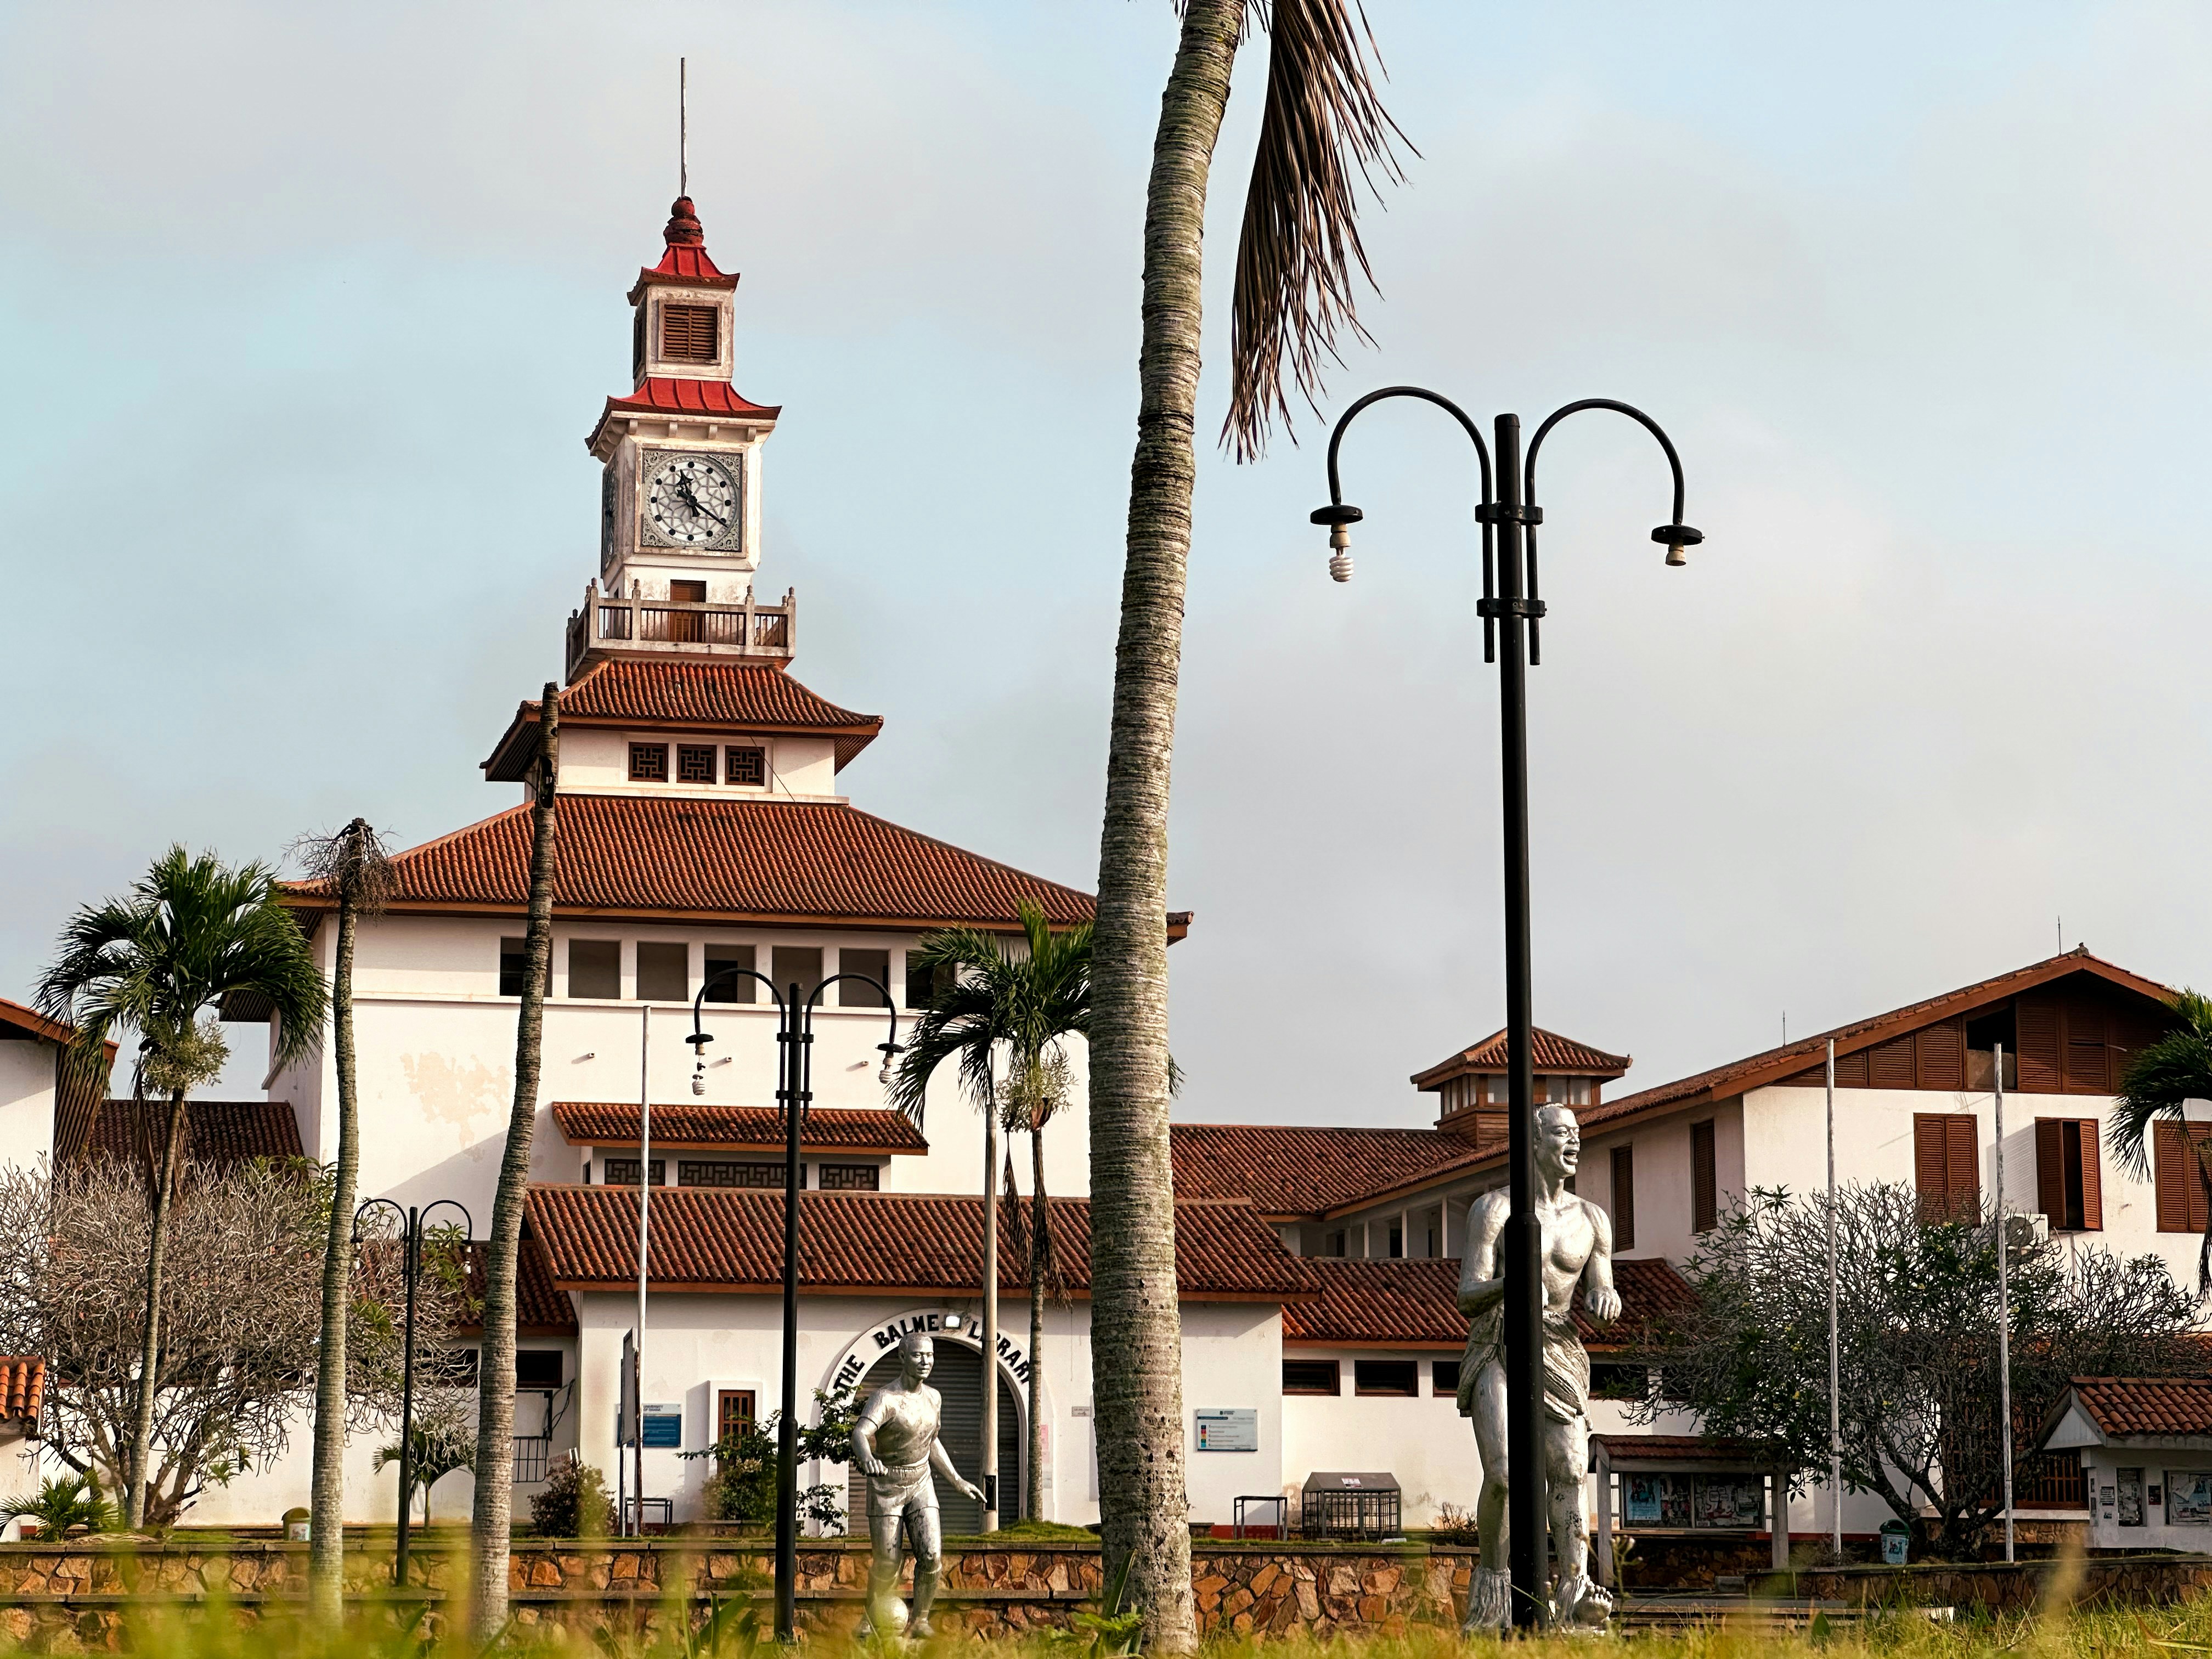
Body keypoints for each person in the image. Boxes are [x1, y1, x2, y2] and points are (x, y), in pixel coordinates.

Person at [1455, 1102, 1620, 1629]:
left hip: (1559, 1346)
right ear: (1533, 1141)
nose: (1573, 1143)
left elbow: (1603, 1287)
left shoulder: (1593, 1219)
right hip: (1500, 1340)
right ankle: (1494, 1595)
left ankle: (1575, 1592)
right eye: (1561, 1133)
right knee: (1504, 1475)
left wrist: (1606, 1301)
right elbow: (1468, 1293)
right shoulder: (1494, 1209)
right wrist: (1513, 1284)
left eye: (1577, 1134)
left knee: (1571, 1470)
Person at [851, 1332, 985, 1638]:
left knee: (931, 1555)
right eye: (917, 1355)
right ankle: (871, 1620)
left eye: (930, 1355)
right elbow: (860, 1434)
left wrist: (957, 1480)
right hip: (888, 1485)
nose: (926, 1362)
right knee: (887, 1561)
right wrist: (868, 1458)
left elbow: (932, 1441)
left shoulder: (934, 1397)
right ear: (902, 1358)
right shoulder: (885, 1398)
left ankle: (921, 1620)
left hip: (921, 1481)